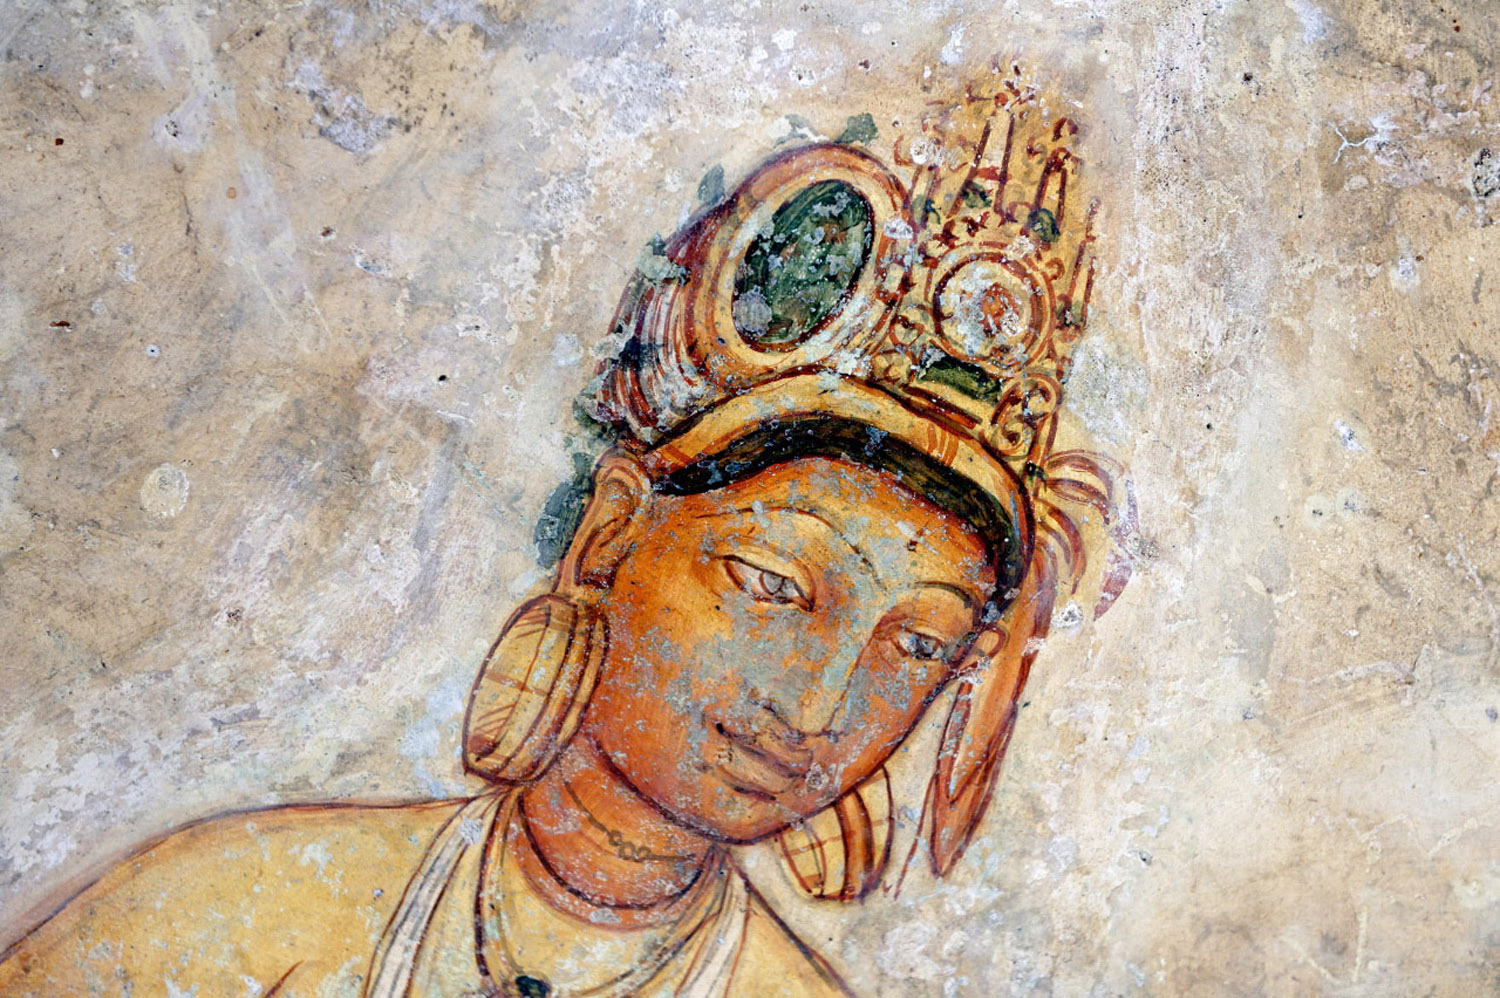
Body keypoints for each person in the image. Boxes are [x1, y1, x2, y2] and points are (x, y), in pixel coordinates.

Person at [0, 76, 1128, 998]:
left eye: (915, 646)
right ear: (613, 532)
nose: (821, 703)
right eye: (775, 585)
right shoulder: (226, 919)